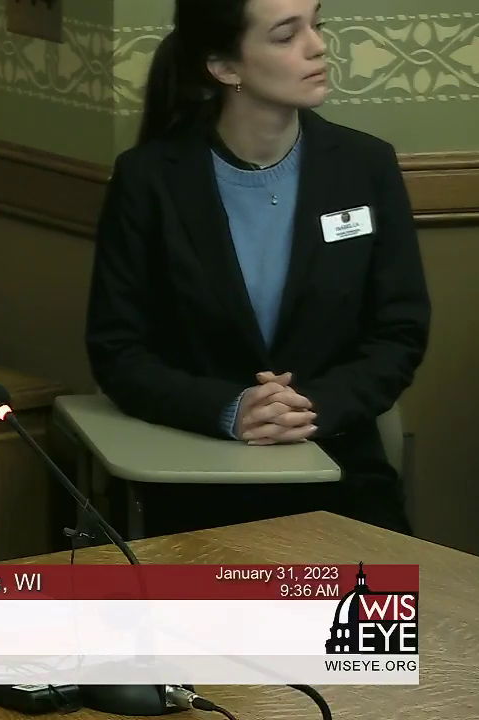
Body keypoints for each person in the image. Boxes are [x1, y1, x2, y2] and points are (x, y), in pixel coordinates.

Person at [84, 0, 430, 537]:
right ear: (225, 67)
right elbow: (118, 352)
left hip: (342, 479)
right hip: (195, 482)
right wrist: (231, 409)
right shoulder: (149, 181)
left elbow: (399, 331)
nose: (317, 45)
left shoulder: (365, 167)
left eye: (317, 25)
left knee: (384, 617)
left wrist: (312, 406)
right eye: (286, 35)